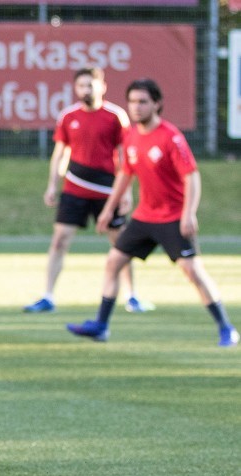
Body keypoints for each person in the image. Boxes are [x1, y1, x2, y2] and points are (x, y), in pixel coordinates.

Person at [67, 79, 239, 347]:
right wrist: (108, 209)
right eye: (133, 101)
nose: (136, 107)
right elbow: (126, 173)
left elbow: (191, 176)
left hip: (172, 217)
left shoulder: (171, 137)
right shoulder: (132, 135)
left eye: (142, 102)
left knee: (192, 271)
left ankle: (226, 327)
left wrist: (188, 213)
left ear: (157, 104)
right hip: (144, 217)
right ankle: (101, 325)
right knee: (113, 262)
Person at [24, 67, 152, 314]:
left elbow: (126, 156)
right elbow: (60, 153)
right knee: (59, 240)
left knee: (122, 244)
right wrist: (52, 184)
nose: (86, 90)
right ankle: (48, 296)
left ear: (102, 86)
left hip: (107, 190)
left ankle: (132, 296)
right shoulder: (68, 116)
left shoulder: (115, 116)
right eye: (82, 85)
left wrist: (125, 192)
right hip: (75, 189)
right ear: (76, 88)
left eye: (91, 85)